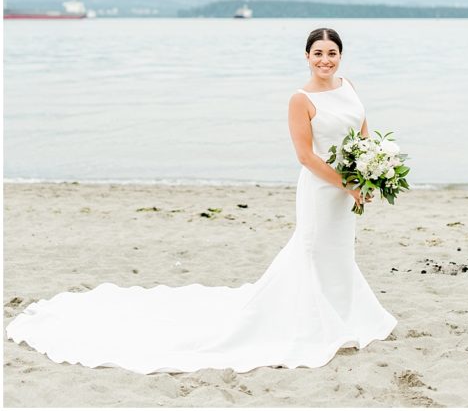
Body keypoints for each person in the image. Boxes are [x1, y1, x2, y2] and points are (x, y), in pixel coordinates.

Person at [6, 27, 396, 373]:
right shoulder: (300, 99)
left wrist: (368, 171)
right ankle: (311, 320)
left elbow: (362, 132)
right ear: (307, 57)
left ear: (340, 56)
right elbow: (305, 156)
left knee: (340, 250)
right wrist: (347, 184)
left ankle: (345, 312)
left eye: (331, 53)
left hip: (349, 185)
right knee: (312, 249)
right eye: (318, 53)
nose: (325, 60)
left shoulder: (350, 86)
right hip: (320, 187)